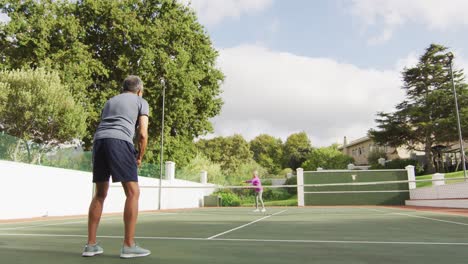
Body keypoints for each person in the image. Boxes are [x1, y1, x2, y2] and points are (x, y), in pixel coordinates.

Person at [82, 75, 151, 259]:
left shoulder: (110, 101)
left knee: (100, 194)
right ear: (139, 90)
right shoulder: (140, 101)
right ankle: (129, 245)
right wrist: (140, 156)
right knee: (133, 193)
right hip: (119, 141)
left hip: (99, 141)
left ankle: (90, 245)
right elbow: (143, 134)